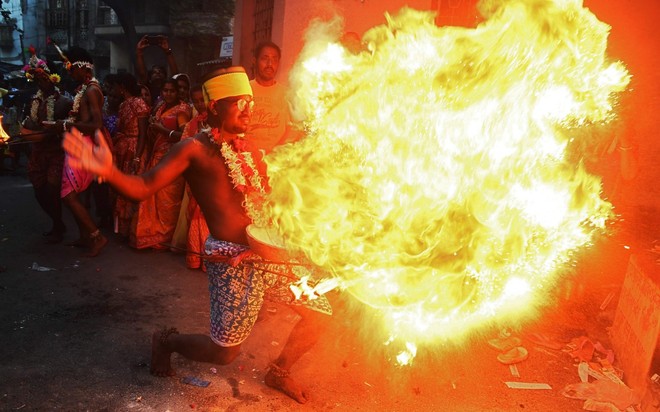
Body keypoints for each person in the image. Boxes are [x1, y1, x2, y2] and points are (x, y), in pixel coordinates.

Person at [62, 67, 332, 403]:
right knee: (225, 354)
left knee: (321, 313)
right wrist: (109, 171)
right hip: (230, 257)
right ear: (215, 106)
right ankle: (167, 342)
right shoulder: (193, 149)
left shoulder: (247, 150)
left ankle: (280, 370)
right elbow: (143, 187)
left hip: (268, 251)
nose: (249, 110)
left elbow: (268, 198)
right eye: (240, 103)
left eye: (250, 103)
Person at [43, 46, 110, 256]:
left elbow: (97, 124)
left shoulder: (91, 90)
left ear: (83, 67)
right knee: (74, 193)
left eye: (71, 68)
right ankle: (84, 235)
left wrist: (64, 126)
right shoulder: (86, 88)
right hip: (79, 143)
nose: (69, 73)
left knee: (68, 194)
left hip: (84, 146)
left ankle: (96, 236)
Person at [19, 48, 72, 243]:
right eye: (38, 81)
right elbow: (27, 123)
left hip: (56, 152)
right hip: (38, 151)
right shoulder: (34, 100)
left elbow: (69, 127)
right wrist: (29, 134)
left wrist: (56, 131)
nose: (41, 83)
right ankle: (57, 222)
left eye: (43, 79)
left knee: (52, 189)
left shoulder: (65, 102)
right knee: (39, 190)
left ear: (53, 79)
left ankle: (58, 226)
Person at [130, 78, 190, 250]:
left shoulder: (182, 110)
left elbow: (183, 136)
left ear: (177, 92)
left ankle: (165, 236)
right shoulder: (161, 106)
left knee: (167, 201)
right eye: (165, 90)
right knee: (153, 198)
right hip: (157, 157)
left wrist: (161, 129)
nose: (168, 94)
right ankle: (151, 235)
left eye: (171, 91)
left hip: (172, 160)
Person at [111, 72, 149, 239]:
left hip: (134, 148)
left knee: (132, 185)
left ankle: (134, 230)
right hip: (124, 148)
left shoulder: (138, 104)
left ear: (122, 87)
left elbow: (142, 133)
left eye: (116, 86)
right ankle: (124, 229)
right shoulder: (124, 104)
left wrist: (137, 156)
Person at [247, 41, 296, 153]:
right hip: (247, 159)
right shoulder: (245, 90)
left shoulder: (287, 94)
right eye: (265, 58)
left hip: (276, 161)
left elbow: (293, 128)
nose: (270, 64)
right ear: (255, 61)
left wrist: (274, 151)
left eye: (274, 59)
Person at [136, 35, 179, 106]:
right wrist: (139, 52)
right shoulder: (147, 88)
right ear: (150, 78)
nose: (158, 73)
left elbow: (175, 75)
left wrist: (167, 51)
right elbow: (142, 74)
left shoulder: (168, 89)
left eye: (161, 71)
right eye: (154, 72)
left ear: (165, 77)